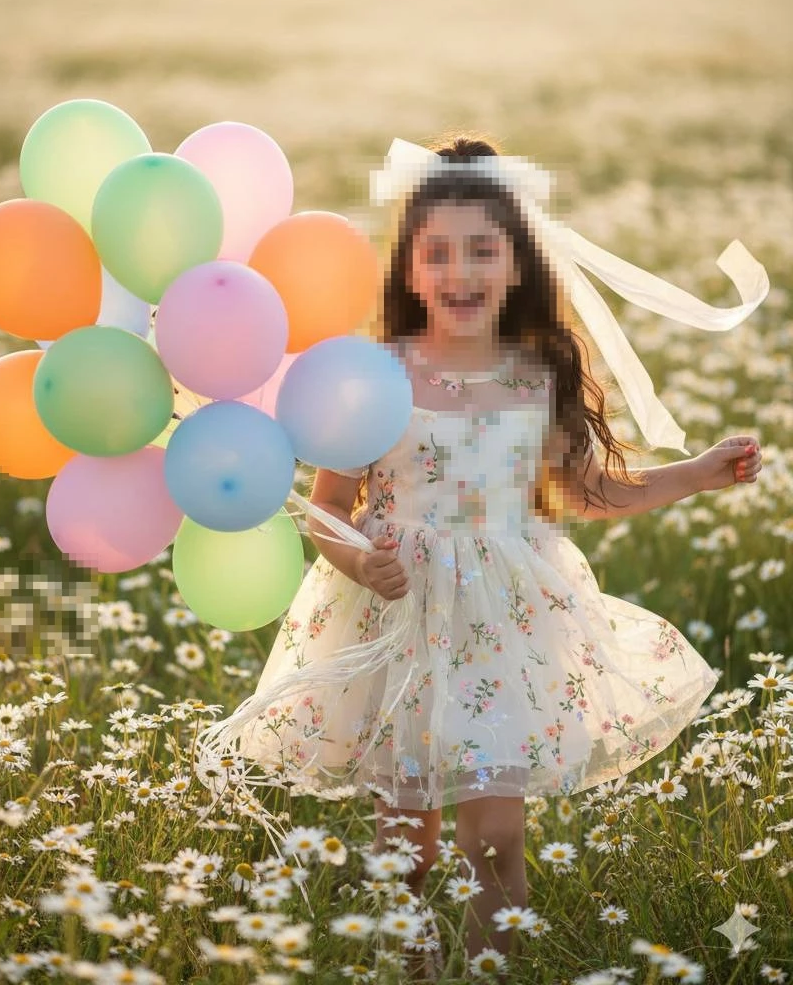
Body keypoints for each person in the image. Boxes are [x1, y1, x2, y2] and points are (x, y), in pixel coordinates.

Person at [200, 134, 765, 966]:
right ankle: (410, 963)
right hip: (397, 624)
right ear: (409, 272)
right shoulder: (376, 375)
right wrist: (359, 559)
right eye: (437, 253)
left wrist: (697, 472)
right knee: (407, 844)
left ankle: (489, 967)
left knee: (495, 836)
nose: (459, 272)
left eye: (482, 250)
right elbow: (326, 508)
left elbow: (593, 491)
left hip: (506, 622)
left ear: (515, 266)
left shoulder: (537, 372)